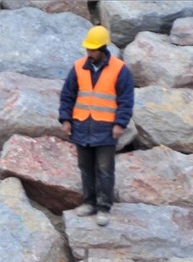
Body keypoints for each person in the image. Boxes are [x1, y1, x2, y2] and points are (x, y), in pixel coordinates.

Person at [58, 25, 133, 227]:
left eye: (93, 50)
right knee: (85, 168)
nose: (89, 53)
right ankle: (89, 202)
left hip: (107, 130)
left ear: (103, 49)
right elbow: (67, 95)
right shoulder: (78, 68)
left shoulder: (119, 70)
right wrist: (66, 119)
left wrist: (120, 123)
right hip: (82, 127)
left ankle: (104, 207)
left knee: (105, 169)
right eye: (87, 50)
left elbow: (126, 100)